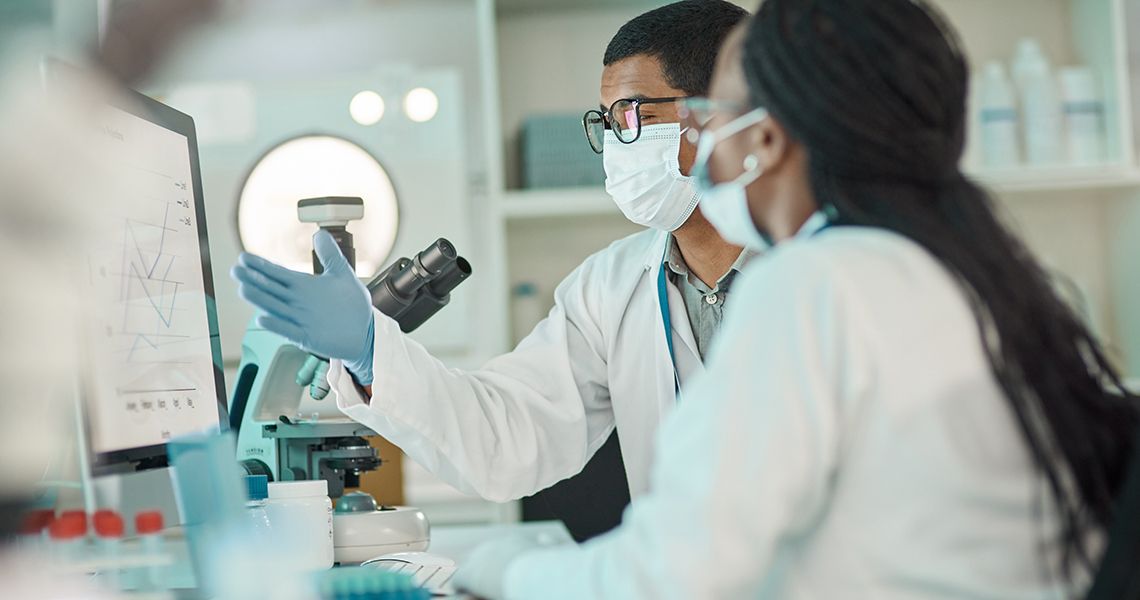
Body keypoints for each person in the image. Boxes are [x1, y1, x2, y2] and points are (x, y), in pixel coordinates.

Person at [451, 0, 1140, 598]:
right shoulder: (971, 268)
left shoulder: (818, 283)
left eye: (714, 112)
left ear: (768, 135)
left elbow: (673, 576)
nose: (701, 140)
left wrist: (504, 568)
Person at [230, 0, 750, 536]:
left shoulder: (821, 272)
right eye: (606, 121)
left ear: (721, 113)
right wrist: (369, 351)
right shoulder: (609, 288)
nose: (616, 142)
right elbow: (506, 438)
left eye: (631, 114)